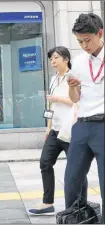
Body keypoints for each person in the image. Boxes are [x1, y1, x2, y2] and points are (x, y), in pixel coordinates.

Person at [28, 46, 86, 215]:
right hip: (55, 130)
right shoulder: (54, 79)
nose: (52, 62)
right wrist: (48, 126)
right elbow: (51, 105)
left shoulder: (74, 77)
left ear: (66, 59)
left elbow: (77, 102)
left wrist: (57, 98)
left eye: (55, 58)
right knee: (45, 163)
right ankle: (47, 202)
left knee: (77, 169)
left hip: (70, 131)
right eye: (51, 59)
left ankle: (79, 205)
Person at [65, 13, 104, 223]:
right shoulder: (79, 62)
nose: (84, 46)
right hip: (82, 125)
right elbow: (75, 98)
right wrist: (72, 88)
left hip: (103, 125)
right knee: (72, 179)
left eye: (87, 40)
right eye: (79, 41)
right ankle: (74, 219)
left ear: (100, 33)